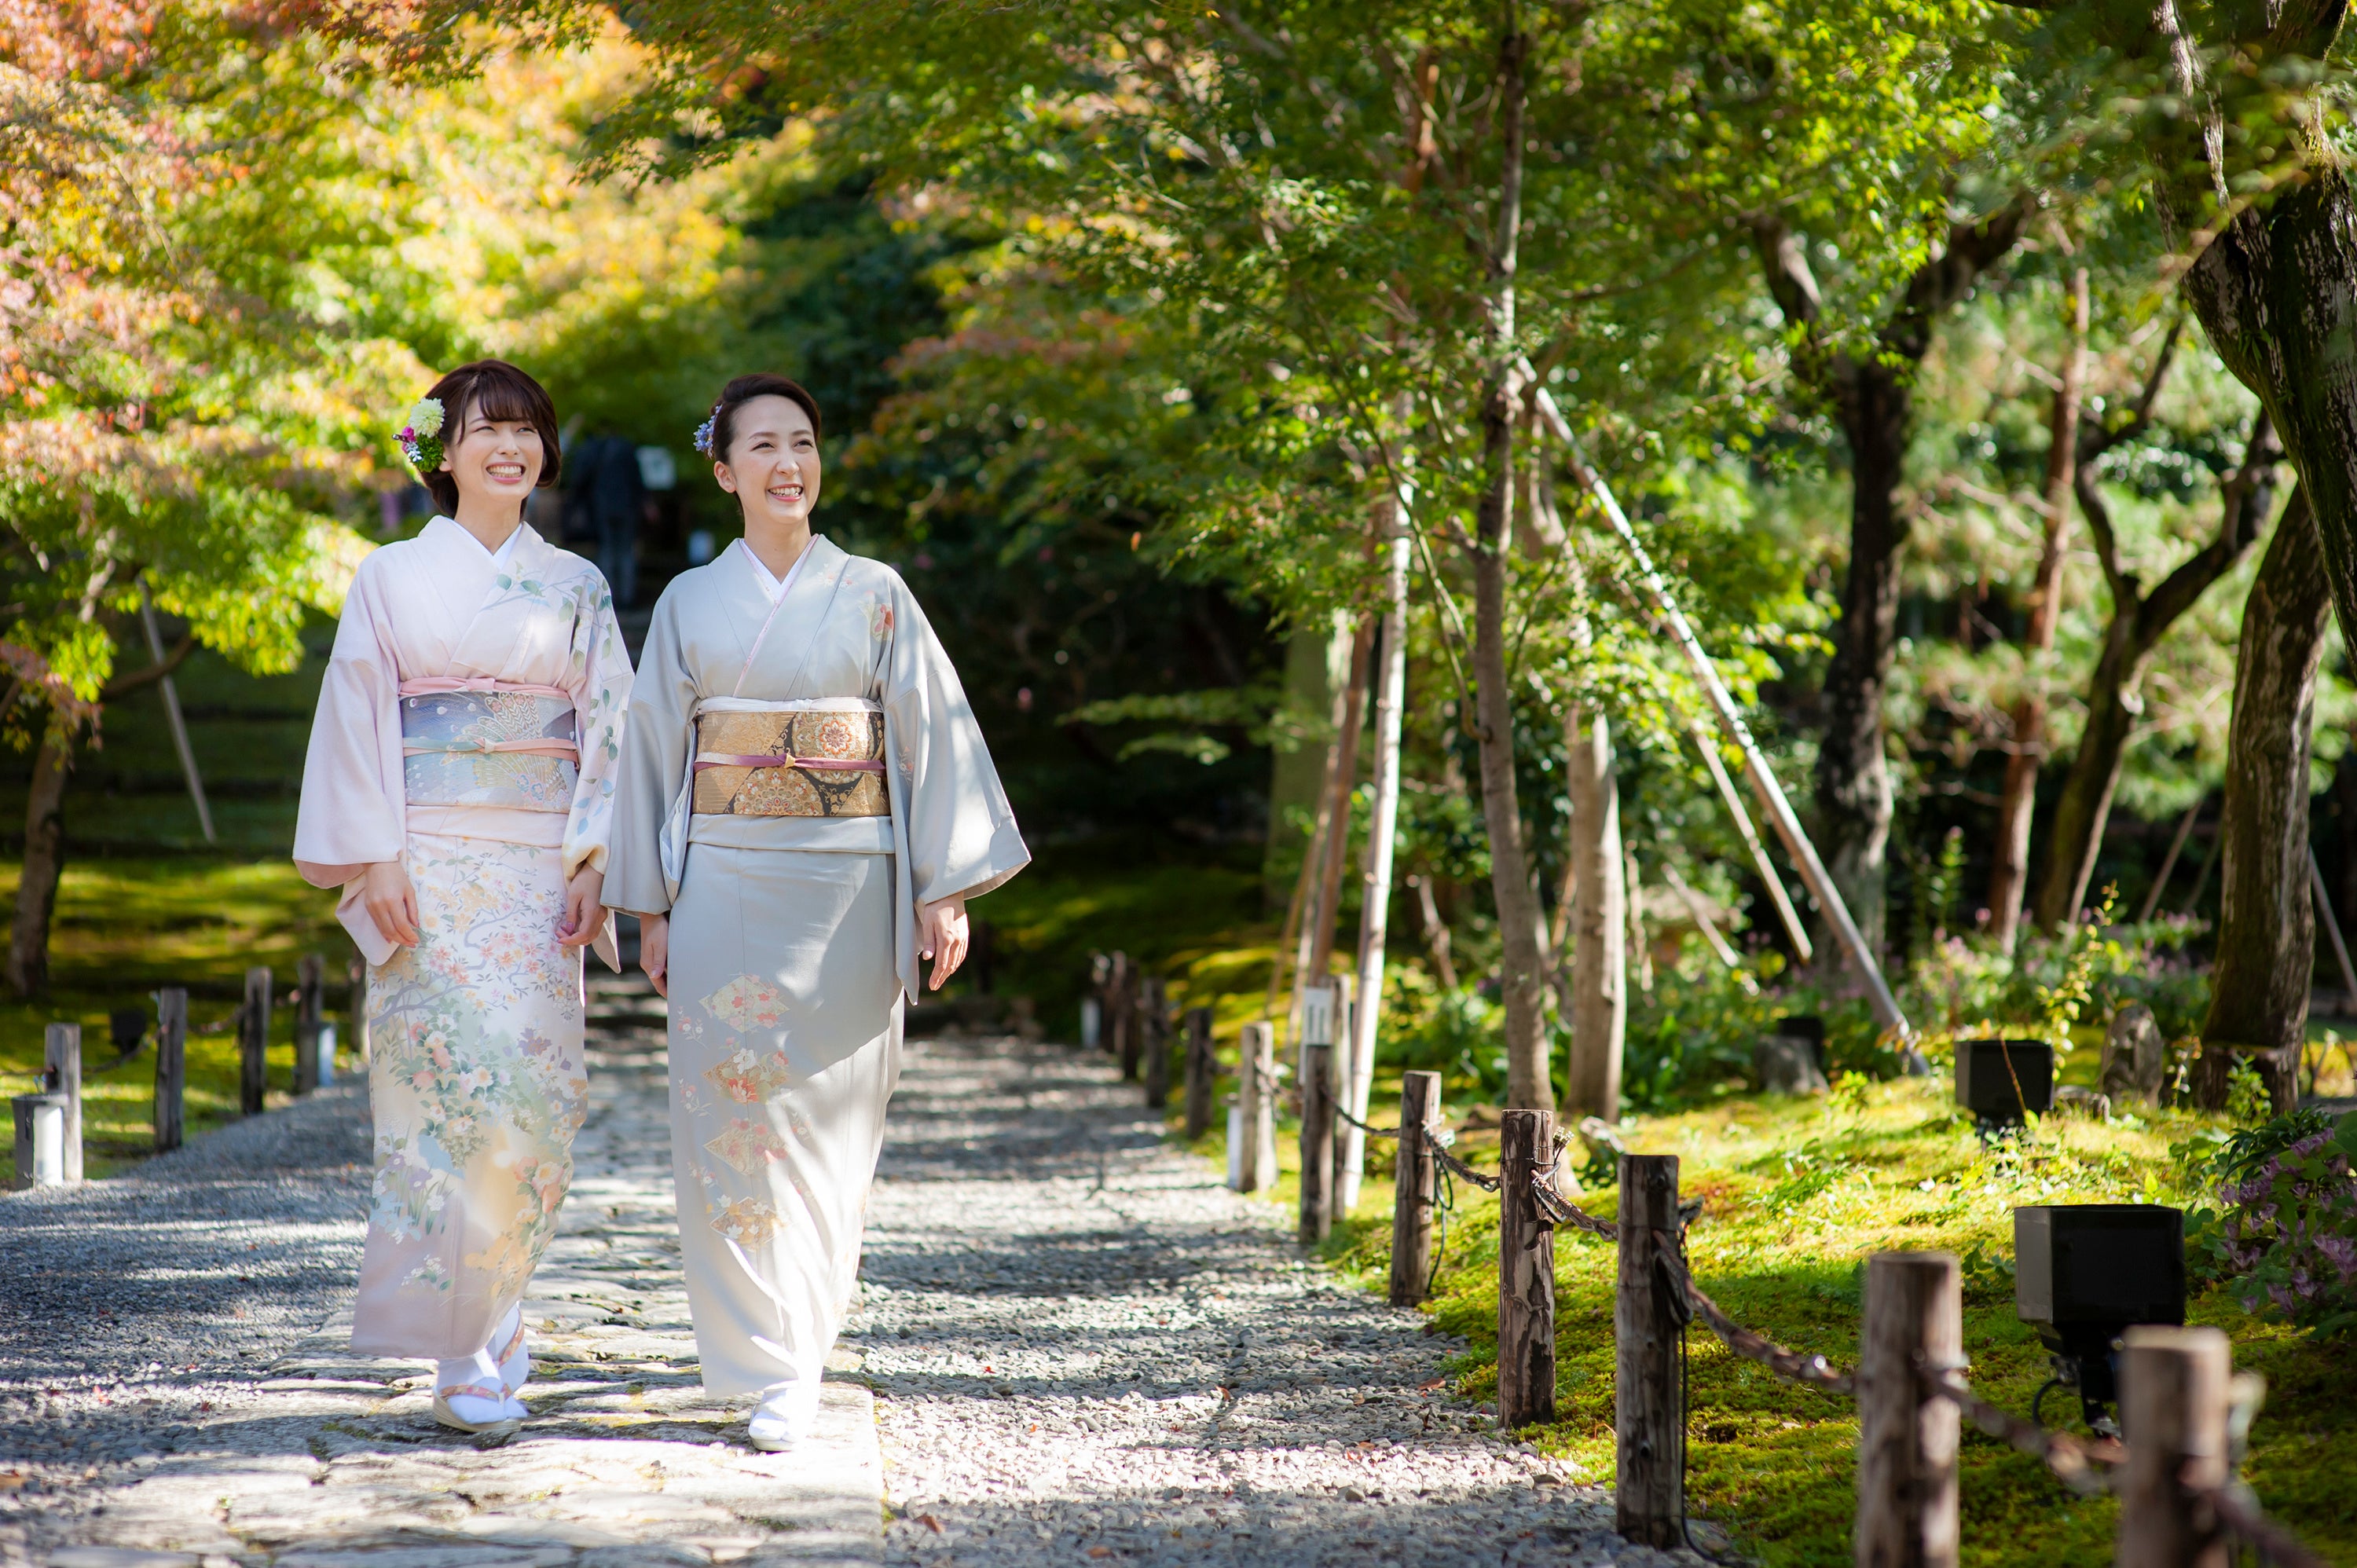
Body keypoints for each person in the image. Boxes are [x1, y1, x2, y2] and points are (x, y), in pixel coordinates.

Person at [604, 373, 1028, 1452]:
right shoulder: (692, 604)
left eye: (803, 443)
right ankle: (767, 1368)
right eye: (764, 447)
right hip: (726, 884)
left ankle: (804, 1348)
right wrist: (648, 904)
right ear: (723, 469)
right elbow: (654, 750)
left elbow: (930, 737)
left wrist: (943, 886)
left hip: (851, 885)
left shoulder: (877, 590)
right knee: (730, 1127)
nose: (787, 463)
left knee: (836, 1137)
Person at [293, 360, 632, 1432]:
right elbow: (356, 717)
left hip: (536, 873)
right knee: (438, 1102)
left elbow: (610, 730)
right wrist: (375, 855)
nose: (509, 447)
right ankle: (459, 1351)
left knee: (530, 1107)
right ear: (440, 451)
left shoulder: (575, 585)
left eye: (527, 429)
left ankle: (502, 1304)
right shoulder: (389, 577)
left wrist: (593, 861)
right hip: (425, 868)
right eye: (487, 428)